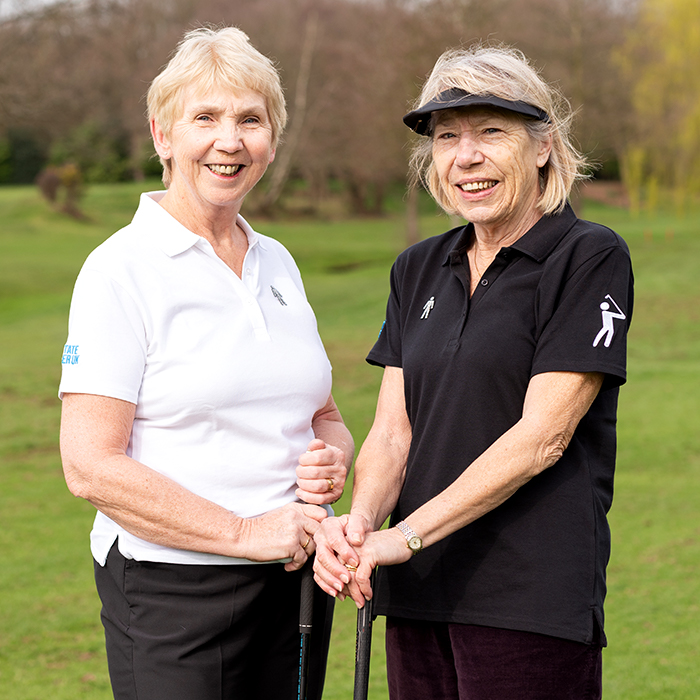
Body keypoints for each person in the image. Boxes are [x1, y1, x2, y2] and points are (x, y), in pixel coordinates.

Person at [314, 45, 633, 700]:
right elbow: (392, 432)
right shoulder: (417, 268)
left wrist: (405, 534)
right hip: (415, 593)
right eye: (448, 137)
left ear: (542, 146)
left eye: (491, 132)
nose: (467, 156)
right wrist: (363, 522)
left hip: (528, 602)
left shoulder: (588, 257)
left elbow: (543, 435)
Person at [58, 26, 353, 700]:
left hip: (295, 578)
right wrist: (245, 532)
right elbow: (88, 466)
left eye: (251, 119)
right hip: (175, 590)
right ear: (165, 136)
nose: (230, 140)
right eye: (206, 118)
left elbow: (322, 414)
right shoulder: (118, 271)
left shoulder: (277, 260)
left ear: (272, 141)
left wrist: (332, 452)